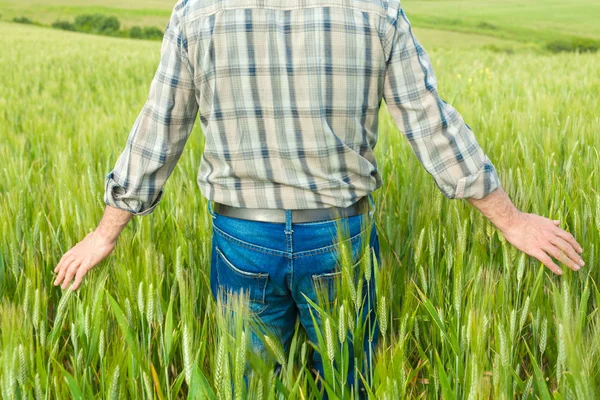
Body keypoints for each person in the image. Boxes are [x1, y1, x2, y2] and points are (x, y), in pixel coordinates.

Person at [53, 0, 584, 396]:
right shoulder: (376, 12)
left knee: (251, 386)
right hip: (340, 237)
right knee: (348, 382)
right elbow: (431, 124)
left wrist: (106, 233)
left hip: (242, 237)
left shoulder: (199, 12)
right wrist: (509, 219)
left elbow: (159, 130)